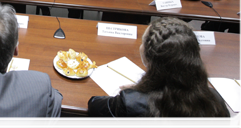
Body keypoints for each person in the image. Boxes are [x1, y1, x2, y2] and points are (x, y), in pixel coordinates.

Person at [88, 17, 230, 128]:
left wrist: (134, 92)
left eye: (143, 42)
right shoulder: (216, 101)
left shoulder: (130, 101)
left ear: (149, 56)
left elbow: (94, 105)